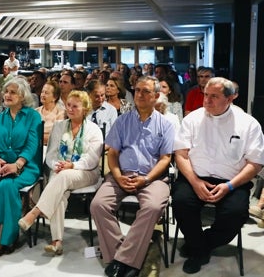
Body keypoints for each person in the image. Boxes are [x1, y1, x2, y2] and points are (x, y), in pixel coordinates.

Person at [171, 77, 264, 274]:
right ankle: (198, 247)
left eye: (214, 96)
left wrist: (229, 186)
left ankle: (200, 246)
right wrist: (195, 182)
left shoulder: (248, 124)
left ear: (231, 98)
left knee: (236, 213)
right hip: (194, 177)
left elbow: (255, 163)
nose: (207, 100)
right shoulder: (192, 119)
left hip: (232, 181)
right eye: (206, 94)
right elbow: (180, 154)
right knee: (181, 202)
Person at [90, 76, 175, 277]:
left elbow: (165, 159)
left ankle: (121, 262)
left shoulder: (165, 125)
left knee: (153, 207)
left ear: (156, 96)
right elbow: (112, 154)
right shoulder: (122, 121)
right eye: (137, 90)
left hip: (152, 178)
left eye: (146, 91)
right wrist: (118, 177)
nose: (140, 94)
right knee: (98, 205)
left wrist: (145, 179)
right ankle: (126, 257)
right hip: (121, 175)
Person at [19, 90, 103, 255]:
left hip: (86, 172)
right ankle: (57, 242)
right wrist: (58, 165)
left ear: (85, 109)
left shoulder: (94, 130)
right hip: (61, 172)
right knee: (60, 191)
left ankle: (35, 211)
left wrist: (71, 165)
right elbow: (50, 155)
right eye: (68, 105)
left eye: (75, 106)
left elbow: (92, 160)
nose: (70, 109)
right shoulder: (59, 127)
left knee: (61, 178)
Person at [0, 77, 42, 259]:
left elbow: (31, 146)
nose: (8, 95)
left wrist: (17, 164)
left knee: (6, 186)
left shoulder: (32, 116)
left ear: (23, 95)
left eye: (13, 92)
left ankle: (5, 237)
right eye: (6, 91)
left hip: (26, 167)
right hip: (1, 165)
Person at [35, 80, 65, 145]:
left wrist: (36, 136)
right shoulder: (35, 112)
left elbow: (57, 136)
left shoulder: (60, 113)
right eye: (42, 92)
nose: (42, 95)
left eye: (46, 93)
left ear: (55, 97)